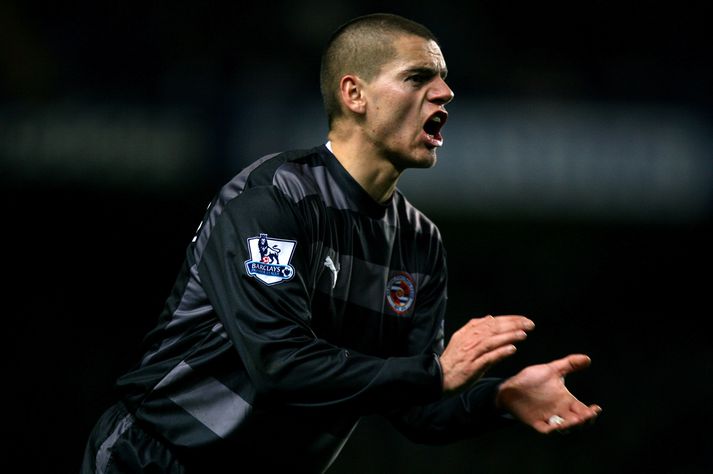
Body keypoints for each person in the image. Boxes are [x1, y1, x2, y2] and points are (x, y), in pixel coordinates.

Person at [81, 12, 601, 473]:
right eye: (419, 76)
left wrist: (501, 398)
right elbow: (279, 366)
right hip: (158, 458)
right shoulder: (271, 200)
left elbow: (415, 404)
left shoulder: (420, 243)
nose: (445, 93)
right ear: (355, 95)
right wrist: (431, 374)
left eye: (444, 80)